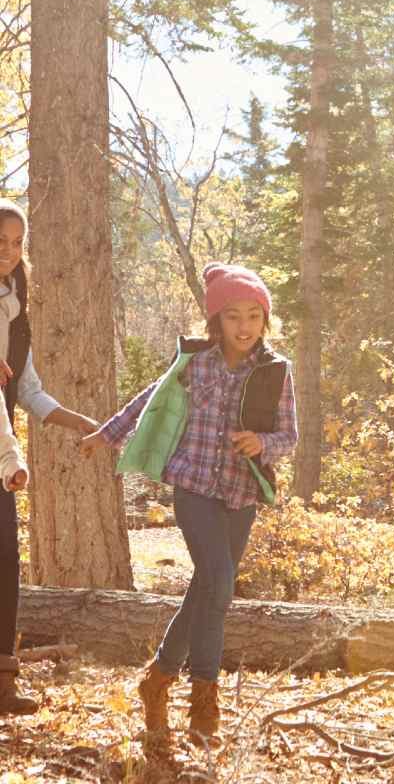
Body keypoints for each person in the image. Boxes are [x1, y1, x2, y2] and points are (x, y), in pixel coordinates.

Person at [81, 262, 298, 745]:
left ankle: (157, 678)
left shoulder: (276, 372)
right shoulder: (195, 363)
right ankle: (205, 704)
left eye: (253, 317)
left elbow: (290, 436)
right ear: (215, 321)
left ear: (265, 320)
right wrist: (108, 433)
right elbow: (149, 400)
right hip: (194, 487)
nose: (243, 327)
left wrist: (262, 443)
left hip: (241, 494)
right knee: (219, 583)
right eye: (232, 316)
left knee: (205, 590)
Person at [0, 199, 100, 716]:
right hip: (3, 451)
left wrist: (79, 422)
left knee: (4, 566)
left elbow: (29, 390)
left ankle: (3, 683)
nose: (10, 253)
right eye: (1, 241)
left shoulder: (18, 311)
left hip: (1, 452)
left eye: (18, 244)